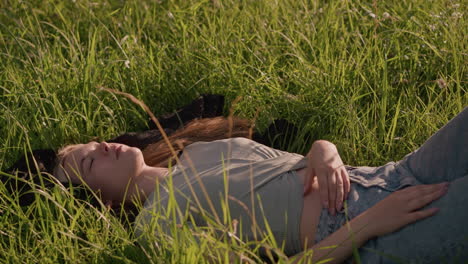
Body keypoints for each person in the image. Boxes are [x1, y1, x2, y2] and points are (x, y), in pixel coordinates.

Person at [53, 108, 468, 263]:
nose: (103, 145)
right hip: (378, 235)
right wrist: (372, 224)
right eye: (90, 160)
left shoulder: (196, 152)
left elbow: (302, 164)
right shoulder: (156, 226)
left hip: (394, 174)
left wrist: (324, 149)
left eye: (93, 142)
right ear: (98, 200)